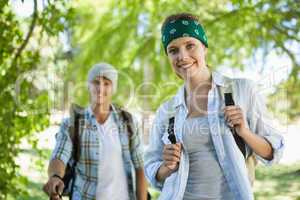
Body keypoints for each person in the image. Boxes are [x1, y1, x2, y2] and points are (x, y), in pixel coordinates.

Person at [144, 13, 284, 200]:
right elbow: (153, 171)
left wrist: (245, 132)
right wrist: (166, 166)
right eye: (173, 50)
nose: (182, 56)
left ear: (204, 47)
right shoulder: (167, 110)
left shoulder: (242, 90)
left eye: (190, 45)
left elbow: (273, 152)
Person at [43, 63, 148, 200]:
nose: (100, 88)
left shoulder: (128, 122)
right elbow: (59, 156)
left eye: (107, 83)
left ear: (113, 88)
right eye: (96, 82)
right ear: (88, 85)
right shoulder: (72, 124)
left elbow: (140, 168)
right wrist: (55, 177)